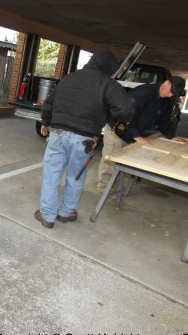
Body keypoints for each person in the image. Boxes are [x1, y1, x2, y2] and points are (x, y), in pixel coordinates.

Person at [35, 50, 135, 228]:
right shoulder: (108, 84)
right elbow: (126, 110)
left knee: (51, 175)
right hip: (84, 140)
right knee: (75, 176)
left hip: (57, 134)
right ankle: (66, 213)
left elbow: (49, 103)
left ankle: (47, 216)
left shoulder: (69, 78)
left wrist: (46, 122)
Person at [96, 76, 187, 194]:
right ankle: (103, 189)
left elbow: (163, 120)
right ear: (166, 82)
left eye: (173, 94)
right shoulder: (143, 93)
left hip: (133, 130)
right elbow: (126, 116)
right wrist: (136, 136)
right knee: (111, 159)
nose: (170, 95)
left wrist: (171, 135)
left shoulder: (166, 99)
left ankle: (113, 184)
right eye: (170, 91)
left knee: (122, 161)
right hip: (118, 128)